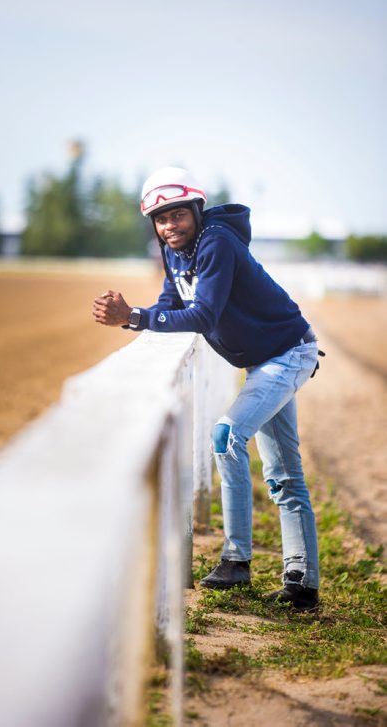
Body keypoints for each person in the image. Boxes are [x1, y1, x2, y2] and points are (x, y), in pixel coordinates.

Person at [93, 166, 321, 612]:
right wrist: (138, 322)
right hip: (262, 362)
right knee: (281, 472)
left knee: (225, 436)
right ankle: (303, 585)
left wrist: (132, 316)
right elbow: (169, 305)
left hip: (289, 353)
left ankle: (237, 560)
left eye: (177, 215)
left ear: (196, 211)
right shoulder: (173, 252)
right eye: (160, 219)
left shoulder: (216, 241)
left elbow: (204, 316)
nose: (169, 226)